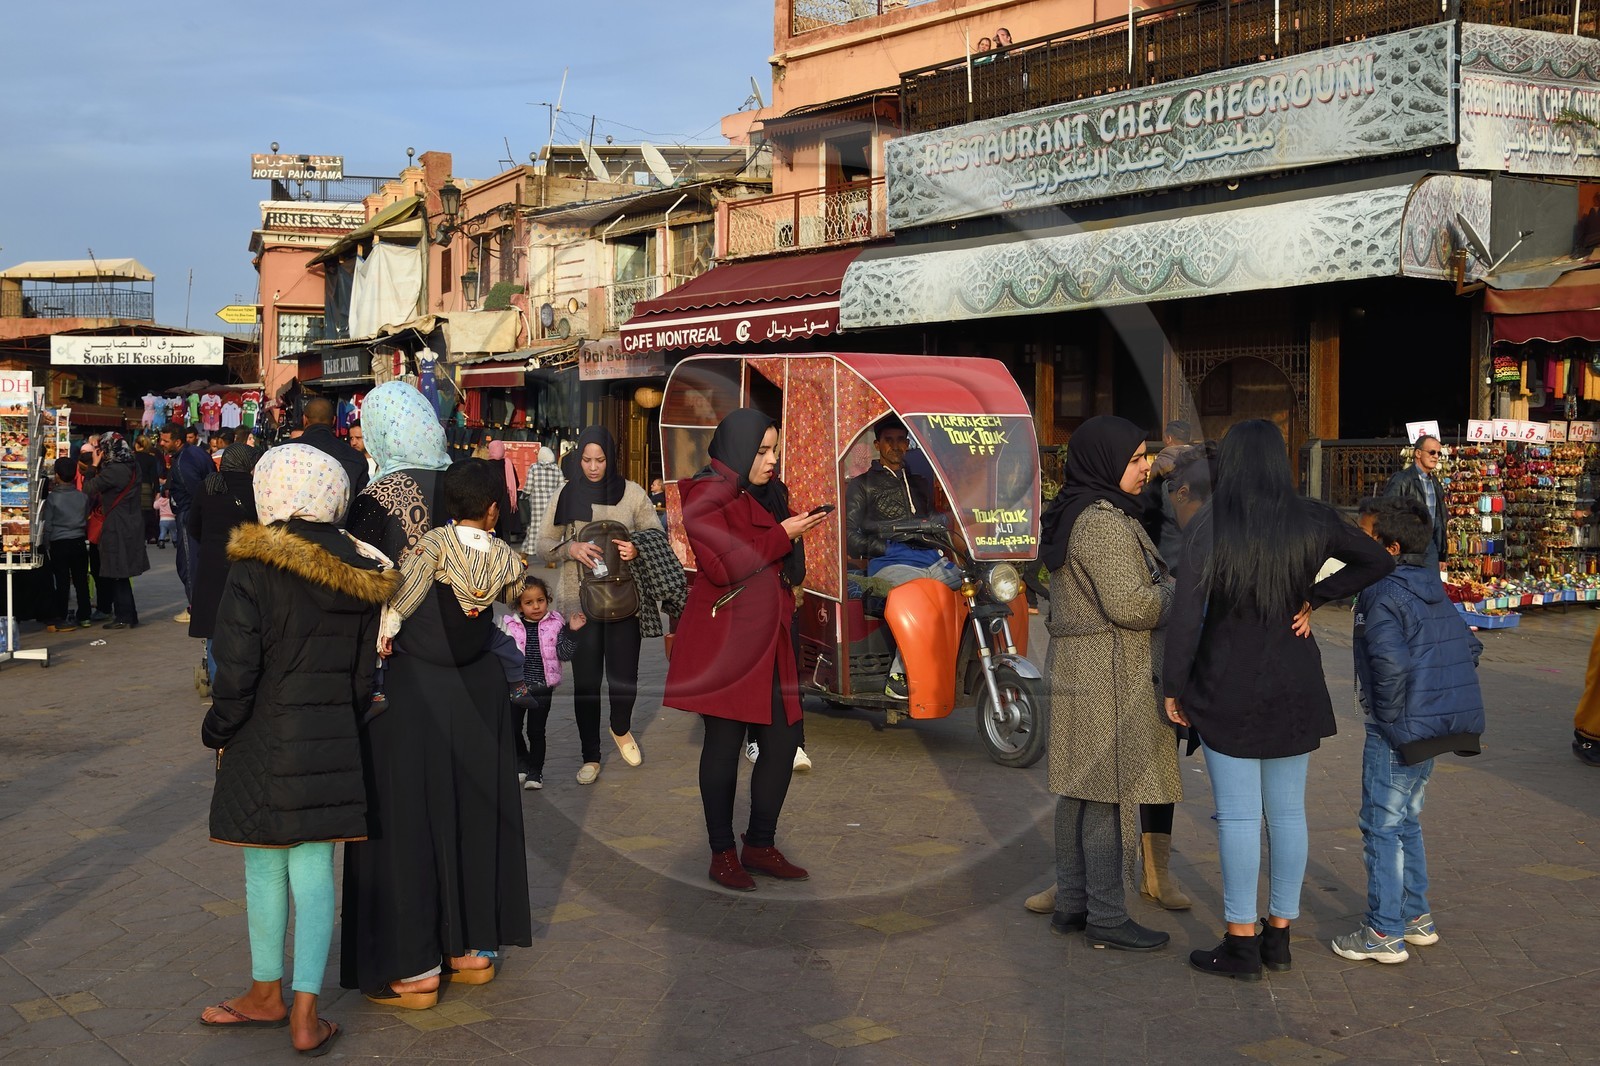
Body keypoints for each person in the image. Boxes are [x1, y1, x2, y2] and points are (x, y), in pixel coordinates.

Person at [1164, 419, 1394, 981]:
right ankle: (1280, 935)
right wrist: (1314, 595)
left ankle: (1241, 939)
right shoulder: (1312, 517)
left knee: (1239, 817)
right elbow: (1380, 560)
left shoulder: (1210, 524)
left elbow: (1186, 618)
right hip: (1293, 680)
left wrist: (1173, 686)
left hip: (1226, 683)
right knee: (1288, 813)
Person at [199, 444, 396, 1056]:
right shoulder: (364, 569)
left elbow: (234, 671)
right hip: (333, 735)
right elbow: (366, 679)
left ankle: (265, 993)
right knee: (314, 869)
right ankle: (307, 1013)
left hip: (263, 734)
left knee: (264, 863)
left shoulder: (255, 565)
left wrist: (219, 730)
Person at [341, 385, 531, 1010]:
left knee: (406, 819)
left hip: (408, 684)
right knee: (471, 809)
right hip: (477, 678)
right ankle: (471, 951)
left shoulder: (372, 502)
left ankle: (416, 967)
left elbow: (368, 601)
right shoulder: (464, 484)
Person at [663, 409, 829, 891]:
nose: (772, 460)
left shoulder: (772, 493)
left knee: (782, 742)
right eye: (761, 451)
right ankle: (722, 853)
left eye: (775, 449)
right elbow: (719, 566)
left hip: (773, 633)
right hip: (728, 639)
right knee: (724, 743)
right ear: (736, 449)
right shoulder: (703, 494)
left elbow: (785, 567)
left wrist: (795, 534)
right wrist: (782, 535)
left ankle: (759, 844)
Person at [1034, 416, 1176, 952]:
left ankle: (1073, 903)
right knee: (1107, 795)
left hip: (1084, 665)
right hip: (1106, 671)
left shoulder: (1082, 511)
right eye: (1137, 459)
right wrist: (1180, 596)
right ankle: (1108, 915)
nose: (1146, 468)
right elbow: (1133, 605)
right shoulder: (1101, 522)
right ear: (1106, 461)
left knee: (1079, 791)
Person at [1333, 497, 1485, 964]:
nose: (1357, 544)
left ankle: (1383, 932)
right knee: (1406, 821)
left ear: (1391, 547)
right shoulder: (1429, 586)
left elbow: (1391, 665)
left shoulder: (1381, 591)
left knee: (1380, 825)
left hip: (1397, 730)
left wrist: (1394, 720)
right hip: (1431, 727)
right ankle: (1415, 917)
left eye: (1366, 537)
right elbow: (1468, 646)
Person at [533, 426, 658, 783]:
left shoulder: (632, 494)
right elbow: (542, 543)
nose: (592, 467)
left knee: (625, 681)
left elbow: (655, 534)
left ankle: (620, 728)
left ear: (610, 458)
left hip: (624, 600)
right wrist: (570, 548)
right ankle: (590, 755)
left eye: (599, 460)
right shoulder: (564, 495)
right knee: (586, 683)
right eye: (586, 460)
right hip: (578, 603)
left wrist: (636, 547)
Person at [845, 415, 960, 697]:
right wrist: (885, 548)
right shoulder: (862, 485)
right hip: (890, 563)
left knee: (979, 587)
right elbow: (849, 537)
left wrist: (947, 520)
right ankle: (899, 675)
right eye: (889, 441)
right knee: (919, 598)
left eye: (901, 440)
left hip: (931, 560)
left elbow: (930, 518)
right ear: (877, 445)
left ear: (908, 445)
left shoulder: (919, 483)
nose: (896, 446)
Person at [496, 576, 580, 790]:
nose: (536, 606)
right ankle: (521, 764)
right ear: (519, 605)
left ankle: (536, 772)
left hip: (543, 687)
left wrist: (572, 631)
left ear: (547, 600)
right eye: (529, 602)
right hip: (517, 686)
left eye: (540, 600)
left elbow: (565, 654)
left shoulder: (557, 623)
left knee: (536, 731)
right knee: (513, 728)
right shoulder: (509, 626)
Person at [187, 444, 261, 681]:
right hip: (246, 563)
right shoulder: (256, 489)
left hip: (211, 565)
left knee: (213, 627)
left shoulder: (208, 486)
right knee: (246, 623)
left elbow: (193, 526)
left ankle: (220, 684)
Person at [81, 433, 150, 629]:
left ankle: (124, 616)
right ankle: (129, 614)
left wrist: (94, 465)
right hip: (132, 521)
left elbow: (88, 488)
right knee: (122, 570)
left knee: (117, 570)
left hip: (117, 524)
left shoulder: (114, 471)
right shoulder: (132, 465)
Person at [160, 423, 214, 621]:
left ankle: (196, 608)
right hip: (199, 514)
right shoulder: (196, 453)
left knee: (188, 563)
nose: (162, 444)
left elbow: (197, 492)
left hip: (190, 514)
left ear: (178, 441)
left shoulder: (184, 462)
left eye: (166, 441)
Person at [40, 457, 91, 632]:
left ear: (57, 475)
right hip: (78, 541)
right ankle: (84, 616)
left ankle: (61, 615)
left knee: (61, 581)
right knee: (80, 580)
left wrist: (46, 545)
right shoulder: (82, 497)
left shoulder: (52, 499)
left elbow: (48, 525)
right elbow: (85, 518)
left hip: (59, 543)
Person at [1382, 435, 1447, 569]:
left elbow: (1440, 520)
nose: (1436, 456)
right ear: (1418, 453)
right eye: (1432, 452)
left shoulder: (1435, 483)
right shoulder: (1402, 479)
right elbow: (1387, 512)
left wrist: (1441, 554)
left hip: (1431, 548)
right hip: (1407, 549)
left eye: (1439, 453)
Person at [297, 397, 368, 521]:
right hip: (340, 533)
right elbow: (362, 505)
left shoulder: (283, 451)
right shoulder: (356, 458)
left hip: (291, 534)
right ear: (334, 420)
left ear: (305, 420)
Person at [520, 446, 565, 553]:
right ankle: (552, 556)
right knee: (551, 528)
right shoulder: (556, 469)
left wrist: (523, 496)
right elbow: (562, 486)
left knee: (535, 527)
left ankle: (526, 553)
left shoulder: (534, 468)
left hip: (537, 504)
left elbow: (528, 486)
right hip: (552, 504)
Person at [133, 435, 161, 545]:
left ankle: (139, 534)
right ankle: (151, 535)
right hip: (147, 487)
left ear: (137, 445)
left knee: (136, 511)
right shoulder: (151, 458)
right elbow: (154, 475)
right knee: (148, 511)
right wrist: (157, 490)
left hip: (135, 486)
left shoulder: (132, 457)